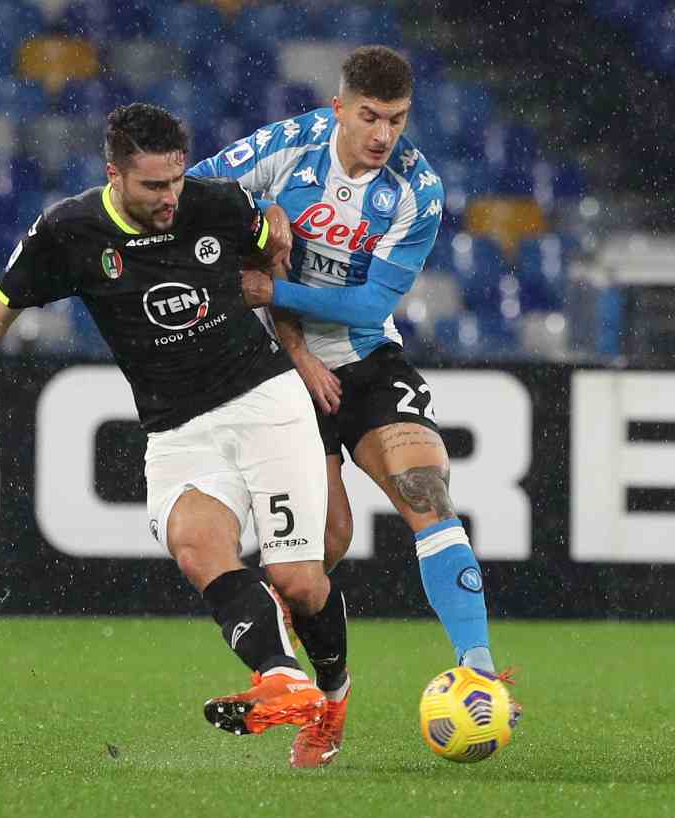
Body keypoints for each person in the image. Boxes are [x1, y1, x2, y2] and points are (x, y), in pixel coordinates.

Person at [0, 103, 352, 768]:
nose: (169, 199)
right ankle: (282, 678)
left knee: (299, 581)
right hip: (177, 427)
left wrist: (275, 233)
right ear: (115, 175)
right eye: (153, 187)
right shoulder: (69, 232)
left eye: (176, 182)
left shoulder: (214, 205)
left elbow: (276, 253)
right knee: (196, 546)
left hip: (262, 402)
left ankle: (331, 699)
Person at [190, 45, 516, 741]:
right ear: (339, 107)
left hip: (366, 362)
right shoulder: (290, 146)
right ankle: (316, 700)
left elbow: (370, 307)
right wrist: (259, 212)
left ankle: (480, 668)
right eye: (369, 117)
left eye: (396, 120)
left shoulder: (417, 191)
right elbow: (189, 190)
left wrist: (273, 287)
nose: (382, 136)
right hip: (279, 375)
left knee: (425, 489)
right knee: (315, 556)